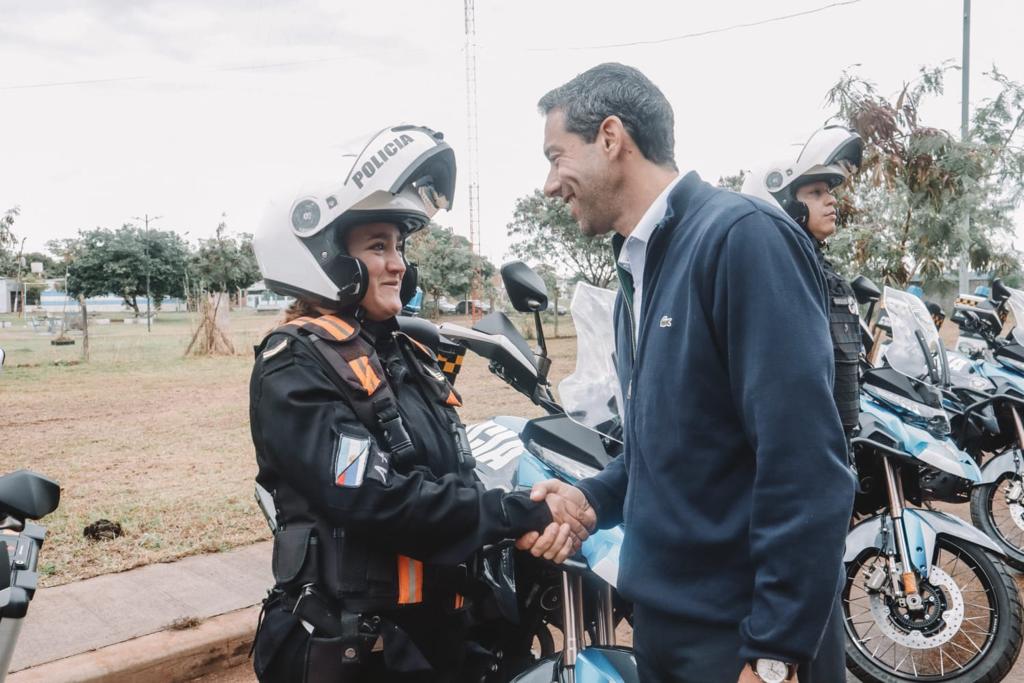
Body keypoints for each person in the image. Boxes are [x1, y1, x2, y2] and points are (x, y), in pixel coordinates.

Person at [520, 63, 857, 682]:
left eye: (555, 156)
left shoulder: (739, 238)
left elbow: (804, 461)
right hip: (667, 627)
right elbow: (672, 444)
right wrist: (591, 499)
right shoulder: (637, 273)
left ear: (612, 137)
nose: (549, 184)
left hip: (742, 638)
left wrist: (777, 652)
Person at [247, 124, 585, 682]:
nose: (398, 263)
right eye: (378, 246)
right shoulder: (293, 365)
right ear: (326, 256)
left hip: (434, 638)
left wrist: (520, 522)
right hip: (360, 649)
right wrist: (517, 512)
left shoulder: (399, 353)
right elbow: (376, 497)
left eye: (399, 246)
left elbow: (452, 472)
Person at [742, 125, 865, 440]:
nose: (831, 201)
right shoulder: (768, 280)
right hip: (794, 447)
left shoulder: (821, 275)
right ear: (781, 199)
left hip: (835, 443)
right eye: (816, 193)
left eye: (830, 192)